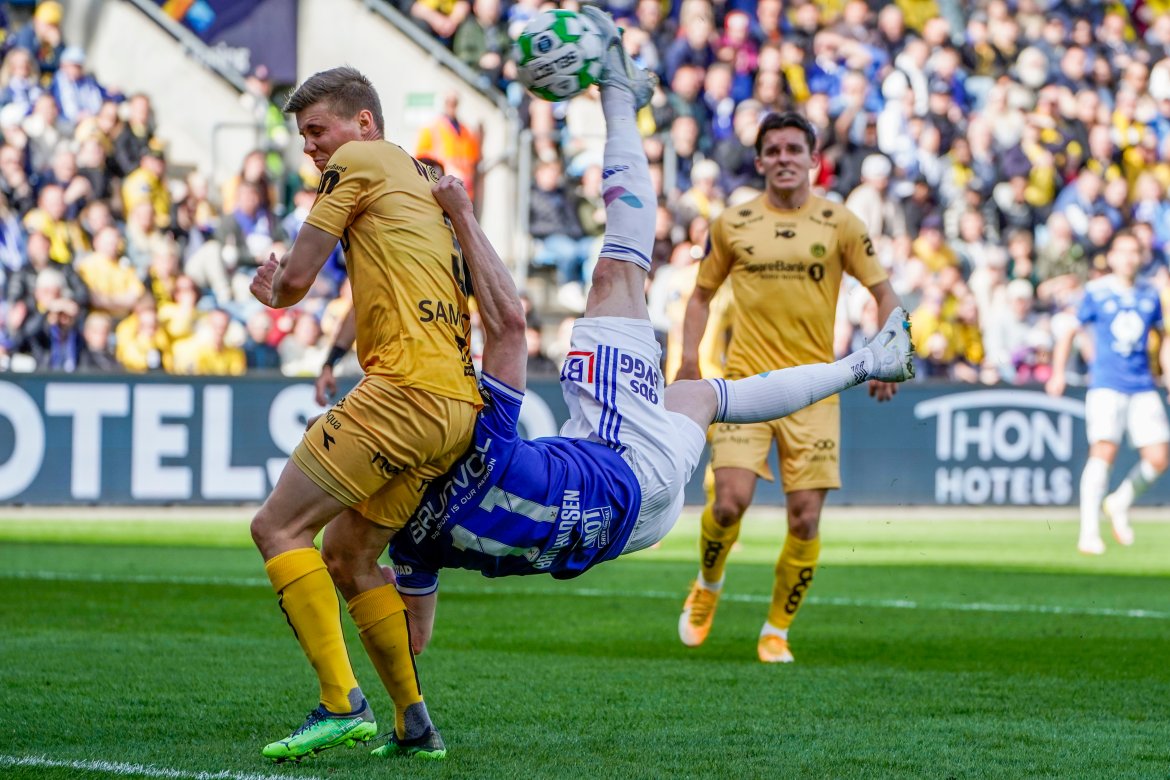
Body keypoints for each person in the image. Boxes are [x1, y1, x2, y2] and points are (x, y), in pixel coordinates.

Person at [384, 8, 912, 675]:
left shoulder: (409, 541)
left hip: (636, 525)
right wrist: (462, 216)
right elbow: (510, 327)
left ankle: (867, 362)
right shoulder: (471, 454)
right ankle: (617, 91)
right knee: (619, 271)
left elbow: (413, 634)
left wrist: (362, 592)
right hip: (623, 473)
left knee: (702, 398)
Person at [246, 66, 481, 762]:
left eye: (317, 130)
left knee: (277, 526)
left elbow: (295, 280)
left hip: (403, 391)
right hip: (455, 406)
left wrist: (274, 290)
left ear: (364, 123)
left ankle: (341, 702)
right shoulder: (419, 180)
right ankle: (415, 724)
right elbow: (388, 285)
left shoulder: (354, 163)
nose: (311, 148)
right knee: (349, 555)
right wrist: (334, 350)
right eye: (304, 137)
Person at [675, 110, 906, 664]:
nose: (783, 158)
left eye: (793, 149)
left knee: (804, 517)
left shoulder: (841, 223)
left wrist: (887, 354)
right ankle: (708, 583)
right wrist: (686, 361)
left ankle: (776, 629)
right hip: (743, 387)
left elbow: (884, 293)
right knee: (728, 503)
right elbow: (700, 296)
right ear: (759, 161)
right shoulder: (732, 223)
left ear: (813, 159)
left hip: (816, 390)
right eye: (773, 150)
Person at [1045, 230, 1170, 555]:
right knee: (1103, 451)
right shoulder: (1096, 292)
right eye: (1123, 251)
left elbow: (1163, 339)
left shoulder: (1150, 293)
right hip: (1106, 384)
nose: (1129, 258)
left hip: (1142, 384)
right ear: (1112, 257)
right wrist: (1058, 372)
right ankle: (1088, 531)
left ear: (1141, 256)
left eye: (1134, 252)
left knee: (1159, 457)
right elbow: (1069, 330)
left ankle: (1119, 502)